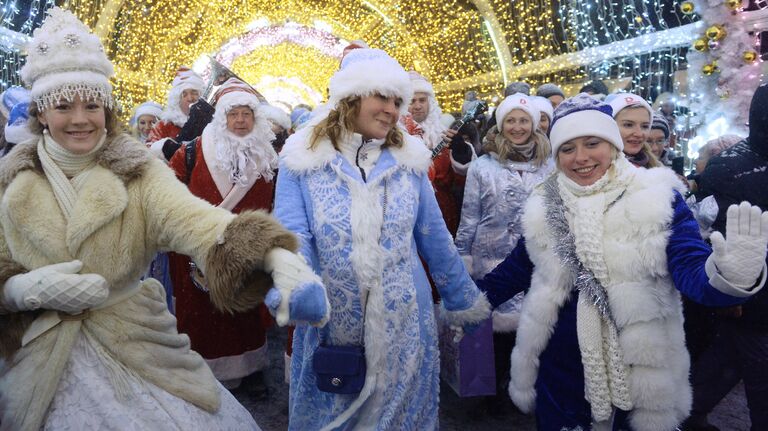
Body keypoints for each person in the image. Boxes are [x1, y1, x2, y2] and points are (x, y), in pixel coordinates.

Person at [0, 9, 328, 430]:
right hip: (37, 353)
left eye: (92, 104)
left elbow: (200, 223)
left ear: (106, 108)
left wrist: (277, 259)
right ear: (41, 113)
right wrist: (19, 290)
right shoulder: (13, 180)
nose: (80, 118)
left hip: (133, 343)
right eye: (63, 106)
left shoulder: (137, 171)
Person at [476, 94, 768, 431]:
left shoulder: (655, 196)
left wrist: (727, 277)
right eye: (567, 149)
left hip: (638, 369)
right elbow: (517, 269)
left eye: (592, 143)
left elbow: (688, 267)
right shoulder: (545, 201)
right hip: (561, 369)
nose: (580, 158)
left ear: (612, 145)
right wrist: (465, 300)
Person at [275, 48, 490, 430]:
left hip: (406, 327)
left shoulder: (409, 161)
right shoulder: (302, 160)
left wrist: (463, 299)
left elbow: (434, 237)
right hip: (332, 329)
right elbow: (292, 233)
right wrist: (295, 286)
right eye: (382, 97)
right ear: (351, 97)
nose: (392, 110)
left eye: (397, 100)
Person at [167, 78, 280, 392]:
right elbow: (169, 194)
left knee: (245, 312)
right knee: (201, 316)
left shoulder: (268, 157)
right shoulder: (191, 152)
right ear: (222, 117)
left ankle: (251, 367)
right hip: (197, 248)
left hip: (249, 246)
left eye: (247, 114)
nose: (241, 120)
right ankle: (201, 372)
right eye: (234, 114)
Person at [685, 84, 768, 431]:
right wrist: (728, 292)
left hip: (750, 308)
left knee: (729, 361)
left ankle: (688, 414)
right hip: (752, 298)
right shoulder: (730, 167)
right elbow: (713, 235)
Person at [402, 71, 474, 236]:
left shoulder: (445, 134)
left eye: (422, 100)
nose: (418, 105)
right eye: (412, 101)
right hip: (409, 214)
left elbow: (463, 183)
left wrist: (461, 153)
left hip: (443, 213)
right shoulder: (394, 135)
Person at [146, 66, 206, 160]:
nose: (190, 99)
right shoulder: (163, 126)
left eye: (194, 92)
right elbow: (148, 153)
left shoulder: (211, 124)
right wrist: (165, 148)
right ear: (177, 99)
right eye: (184, 94)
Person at [608, 93, 660, 168]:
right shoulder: (597, 171)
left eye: (645, 126)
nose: (639, 134)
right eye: (628, 125)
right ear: (609, 126)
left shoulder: (656, 168)